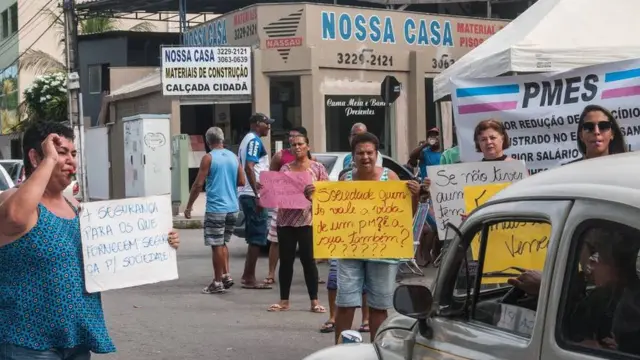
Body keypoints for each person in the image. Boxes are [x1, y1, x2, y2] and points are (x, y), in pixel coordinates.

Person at [0, 121, 181, 359]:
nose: (70, 160)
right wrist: (50, 160)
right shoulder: (12, 200)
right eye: (60, 152)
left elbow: (111, 253)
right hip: (27, 342)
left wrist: (160, 240)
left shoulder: (75, 207)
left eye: (73, 154)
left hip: (75, 339)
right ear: (35, 157)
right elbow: (15, 217)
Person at [306, 132, 420, 343]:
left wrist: (414, 196)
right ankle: (340, 349)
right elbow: (331, 214)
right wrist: (313, 198)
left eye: (369, 152)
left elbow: (405, 217)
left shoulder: (390, 177)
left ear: (377, 154)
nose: (365, 157)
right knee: (346, 301)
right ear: (353, 155)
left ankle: (376, 350)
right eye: (360, 153)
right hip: (349, 250)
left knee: (378, 305)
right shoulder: (345, 178)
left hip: (383, 251)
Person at [266, 134, 327, 313]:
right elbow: (274, 192)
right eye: (293, 145)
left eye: (300, 144)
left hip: (308, 221)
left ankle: (314, 301)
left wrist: (315, 192)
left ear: (308, 146)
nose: (297, 147)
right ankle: (284, 300)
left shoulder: (317, 168)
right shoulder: (285, 168)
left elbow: (327, 193)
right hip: (285, 221)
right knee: (286, 262)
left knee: (309, 262)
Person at [184, 127, 246, 294]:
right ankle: (226, 275)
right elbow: (241, 181)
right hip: (233, 208)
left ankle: (217, 281)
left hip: (216, 208)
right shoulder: (233, 157)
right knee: (223, 242)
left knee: (216, 244)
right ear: (222, 139)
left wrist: (189, 206)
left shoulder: (208, 158)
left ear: (208, 141)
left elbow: (198, 184)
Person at [263, 126, 314, 286]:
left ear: (306, 144)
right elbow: (271, 179)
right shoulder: (280, 158)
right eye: (292, 139)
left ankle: (314, 294)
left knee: (308, 257)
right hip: (284, 212)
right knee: (276, 243)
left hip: (307, 216)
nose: (295, 143)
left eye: (298, 140)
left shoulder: (315, 164)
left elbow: (321, 187)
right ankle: (271, 273)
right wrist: (265, 188)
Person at [238, 113, 274, 290]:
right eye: (266, 124)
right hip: (253, 195)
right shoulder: (254, 141)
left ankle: (248, 275)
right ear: (257, 124)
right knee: (258, 236)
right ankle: (249, 277)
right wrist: (258, 194)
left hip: (249, 193)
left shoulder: (248, 139)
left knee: (254, 235)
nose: (269, 127)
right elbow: (249, 167)